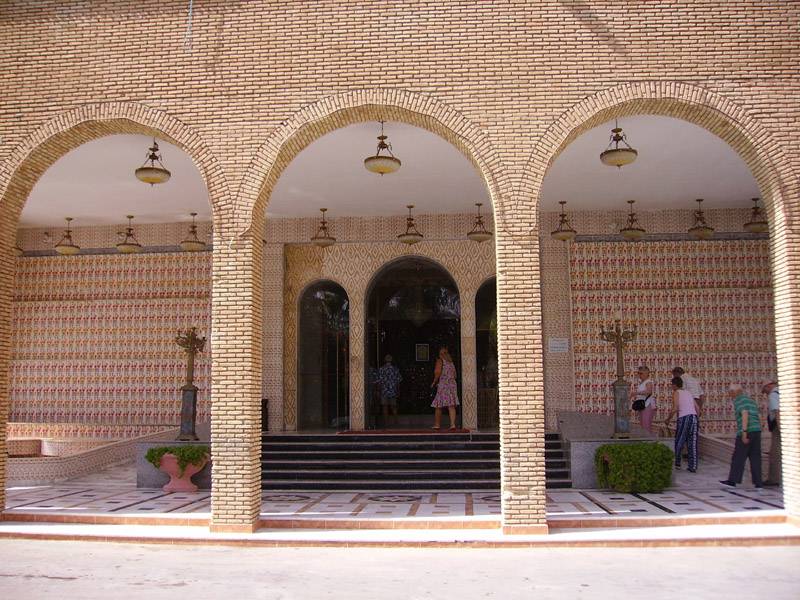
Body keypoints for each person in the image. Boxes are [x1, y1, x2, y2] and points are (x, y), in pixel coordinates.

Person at [720, 384, 763, 489]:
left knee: (738, 457)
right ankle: (758, 483)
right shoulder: (751, 401)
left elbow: (744, 414)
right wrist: (758, 428)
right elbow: (759, 416)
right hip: (756, 431)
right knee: (755, 457)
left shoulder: (739, 401)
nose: (730, 395)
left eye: (730, 393)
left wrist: (744, 433)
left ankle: (733, 481)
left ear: (735, 392)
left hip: (746, 431)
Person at [662, 376, 699, 472]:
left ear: (674, 385)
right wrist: (696, 417)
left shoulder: (676, 393)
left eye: (672, 385)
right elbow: (697, 408)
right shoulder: (688, 392)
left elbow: (675, 408)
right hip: (694, 417)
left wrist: (668, 419)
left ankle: (677, 463)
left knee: (679, 440)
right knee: (692, 442)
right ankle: (693, 466)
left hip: (684, 417)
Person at [431, 346, 459, 430]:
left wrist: (434, 382)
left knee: (438, 405)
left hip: (443, 385)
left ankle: (437, 425)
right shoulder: (451, 363)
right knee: (451, 405)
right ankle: (453, 424)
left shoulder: (440, 361)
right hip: (452, 385)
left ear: (440, 354)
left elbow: (437, 372)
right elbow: (455, 375)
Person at [762, 379, 781, 487]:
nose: (765, 393)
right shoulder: (783, 392)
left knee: (774, 453)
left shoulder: (773, 395)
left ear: (768, 386)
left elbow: (777, 411)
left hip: (778, 427)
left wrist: (779, 428)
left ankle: (773, 479)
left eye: (765, 390)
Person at [377, 354, 403, 427]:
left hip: (384, 390)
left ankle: (386, 423)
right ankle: (396, 422)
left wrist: (378, 391)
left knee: (385, 407)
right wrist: (398, 390)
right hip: (393, 390)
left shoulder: (381, 369)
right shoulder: (395, 369)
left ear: (385, 360)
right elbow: (398, 381)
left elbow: (379, 381)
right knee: (394, 406)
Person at [631, 365, 656, 433]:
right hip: (643, 405)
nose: (639, 375)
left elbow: (649, 391)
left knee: (646, 424)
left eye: (641, 373)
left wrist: (637, 393)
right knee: (643, 423)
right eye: (639, 373)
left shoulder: (648, 382)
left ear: (647, 373)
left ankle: (648, 440)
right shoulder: (642, 383)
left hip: (647, 404)